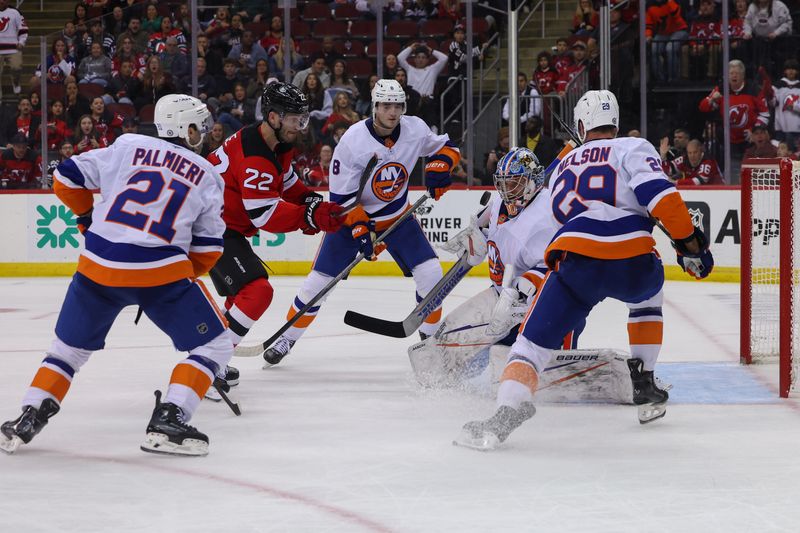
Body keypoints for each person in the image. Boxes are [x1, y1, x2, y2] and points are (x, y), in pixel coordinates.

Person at [455, 90, 714, 450]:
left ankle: (505, 413)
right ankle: (644, 378)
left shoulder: (563, 165)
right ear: (616, 124)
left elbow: (558, 219)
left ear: (580, 126)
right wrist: (690, 244)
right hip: (632, 259)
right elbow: (662, 199)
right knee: (648, 299)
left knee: (529, 347)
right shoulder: (633, 147)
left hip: (574, 264)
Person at [0, 94, 232, 456]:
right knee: (215, 344)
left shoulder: (127, 145)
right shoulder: (207, 174)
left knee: (66, 351)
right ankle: (170, 417)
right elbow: (209, 249)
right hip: (160, 272)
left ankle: (28, 416)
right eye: (199, 127)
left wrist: (85, 217)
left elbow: (65, 178)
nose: (202, 134)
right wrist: (183, 279)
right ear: (187, 129)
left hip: (97, 264)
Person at [262, 79, 460, 367]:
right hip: (348, 221)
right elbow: (342, 199)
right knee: (317, 285)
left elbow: (446, 146)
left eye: (397, 106)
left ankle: (430, 342)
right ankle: (287, 337)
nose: (392, 112)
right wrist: (360, 231)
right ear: (375, 107)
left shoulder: (414, 128)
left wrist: (441, 165)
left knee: (430, 273)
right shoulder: (353, 141)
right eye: (386, 106)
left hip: (397, 219)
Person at [408, 147, 585, 389]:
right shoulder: (504, 200)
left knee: (529, 350)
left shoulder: (545, 218)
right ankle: (488, 356)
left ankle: (554, 362)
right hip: (502, 299)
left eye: (514, 183)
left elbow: (558, 269)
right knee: (453, 349)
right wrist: (478, 233)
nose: (506, 190)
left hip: (541, 302)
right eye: (503, 183)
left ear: (532, 183)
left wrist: (522, 292)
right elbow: (493, 217)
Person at [205, 82, 345, 361]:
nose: (300, 125)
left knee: (242, 294)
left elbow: (288, 183)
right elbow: (264, 215)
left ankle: (208, 352)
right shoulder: (255, 157)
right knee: (257, 292)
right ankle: (209, 363)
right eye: (295, 119)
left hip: (217, 225)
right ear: (273, 117)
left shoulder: (274, 143)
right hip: (207, 227)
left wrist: (312, 202)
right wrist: (311, 215)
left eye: (302, 118)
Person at [0, 0, 30, 95]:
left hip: (13, 48)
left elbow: (23, 28)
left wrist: (21, 42)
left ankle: (16, 82)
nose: (1, 1)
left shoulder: (15, 12)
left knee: (16, 69)